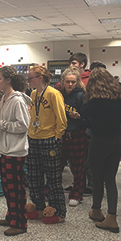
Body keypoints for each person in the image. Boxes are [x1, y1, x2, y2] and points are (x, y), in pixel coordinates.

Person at [0, 66, 30, 236]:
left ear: (8, 80)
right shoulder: (5, 98)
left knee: (16, 189)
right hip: (5, 149)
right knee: (7, 187)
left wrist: (0, 125)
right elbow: (7, 123)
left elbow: (23, 126)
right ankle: (12, 215)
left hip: (15, 151)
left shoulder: (17, 100)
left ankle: (20, 223)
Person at [25, 66, 67, 224]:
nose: (28, 81)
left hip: (49, 138)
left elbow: (61, 118)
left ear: (40, 77)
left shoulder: (53, 94)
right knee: (34, 176)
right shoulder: (33, 94)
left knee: (53, 178)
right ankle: (39, 207)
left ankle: (58, 210)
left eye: (31, 78)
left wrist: (57, 137)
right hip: (33, 138)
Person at [81, 67, 121, 233]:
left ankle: (97, 210)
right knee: (110, 179)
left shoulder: (95, 101)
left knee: (98, 179)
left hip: (99, 142)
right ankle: (112, 216)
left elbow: (83, 113)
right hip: (117, 141)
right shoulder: (118, 97)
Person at [58, 67, 88, 207]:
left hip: (77, 134)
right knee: (57, 165)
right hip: (62, 134)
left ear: (78, 82)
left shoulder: (81, 96)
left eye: (73, 82)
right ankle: (53, 190)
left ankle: (77, 193)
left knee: (78, 167)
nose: (70, 85)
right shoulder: (58, 95)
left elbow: (87, 118)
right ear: (63, 82)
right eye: (68, 82)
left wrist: (78, 117)